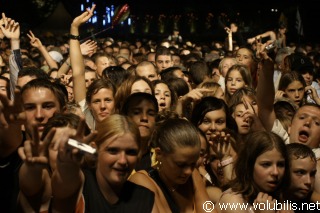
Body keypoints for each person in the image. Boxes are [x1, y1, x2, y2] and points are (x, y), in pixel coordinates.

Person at [51, 114, 158, 212]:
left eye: (131, 152)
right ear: (95, 149)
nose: (123, 161)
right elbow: (64, 183)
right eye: (113, 150)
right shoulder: (82, 184)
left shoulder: (144, 197)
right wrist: (67, 164)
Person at [129, 118, 211, 212]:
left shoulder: (193, 175)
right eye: (180, 165)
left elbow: (209, 209)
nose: (188, 171)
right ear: (159, 154)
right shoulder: (142, 181)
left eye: (193, 164)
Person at [215, 131, 289, 213]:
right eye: (266, 164)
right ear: (249, 165)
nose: (275, 172)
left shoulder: (278, 199)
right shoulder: (233, 202)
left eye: (280, 165)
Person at [120, 92, 159, 171]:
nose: (144, 118)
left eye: (150, 114)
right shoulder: (114, 155)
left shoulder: (159, 159)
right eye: (136, 112)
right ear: (125, 117)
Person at [283, 143, 318, 212]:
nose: (309, 181)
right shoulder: (263, 203)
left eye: (312, 174)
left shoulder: (312, 207)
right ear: (284, 171)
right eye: (300, 172)